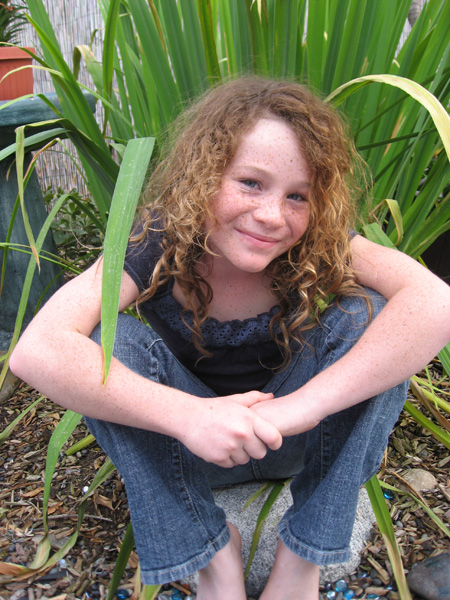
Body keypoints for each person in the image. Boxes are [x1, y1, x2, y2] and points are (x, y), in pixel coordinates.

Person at [10, 77, 450, 600]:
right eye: (250, 183)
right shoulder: (157, 240)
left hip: (294, 439)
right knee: (108, 338)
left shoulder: (318, 243)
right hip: (193, 450)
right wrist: (191, 417)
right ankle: (214, 555)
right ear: (204, 174)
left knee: (374, 317)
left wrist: (299, 408)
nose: (271, 215)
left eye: (297, 196)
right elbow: (37, 349)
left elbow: (435, 301)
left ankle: (302, 559)